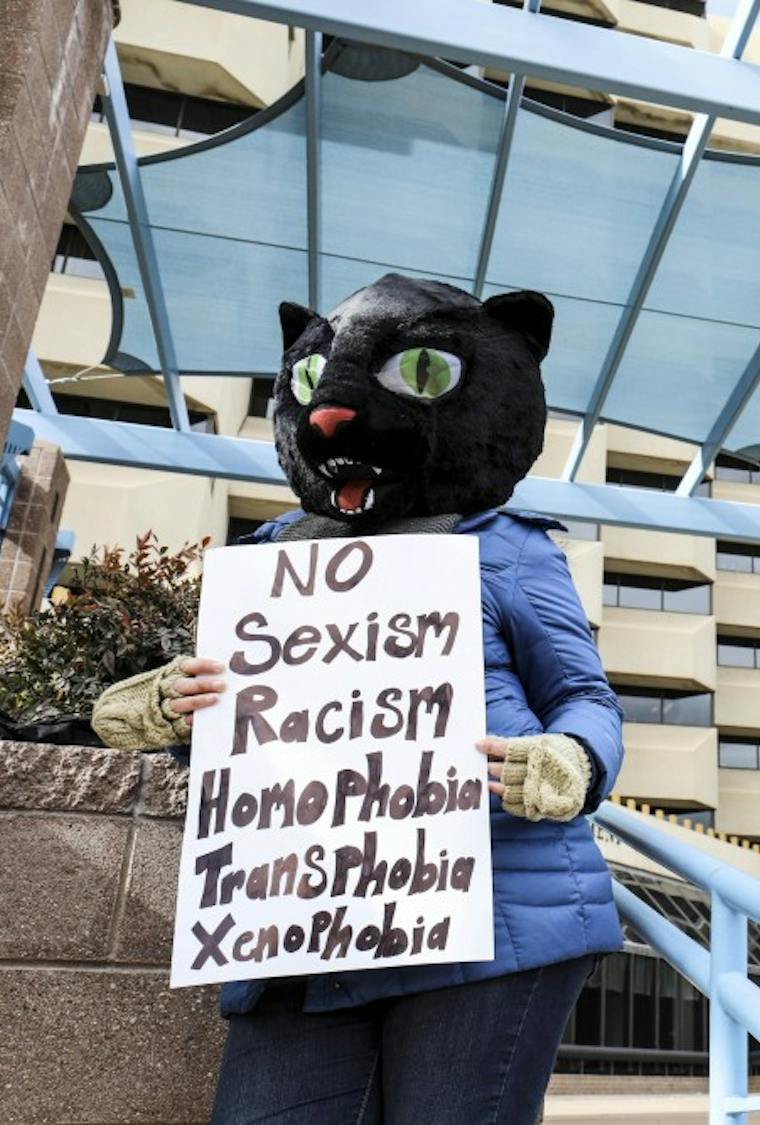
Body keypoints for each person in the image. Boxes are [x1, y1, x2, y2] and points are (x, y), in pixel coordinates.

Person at [90, 275, 624, 1124]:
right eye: (311, 385)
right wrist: (173, 706)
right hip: (301, 929)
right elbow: (255, 740)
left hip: (492, 919)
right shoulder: (269, 559)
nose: (332, 414)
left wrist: (573, 759)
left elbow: (582, 695)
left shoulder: (508, 548)